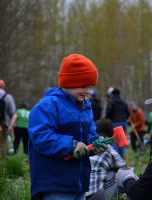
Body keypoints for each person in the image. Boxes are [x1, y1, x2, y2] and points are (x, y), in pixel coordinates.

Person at [28, 54, 107, 200]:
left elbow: (89, 134)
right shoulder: (48, 105)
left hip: (79, 183)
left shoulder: (85, 106)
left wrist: (95, 143)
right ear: (69, 83)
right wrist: (70, 145)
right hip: (54, 183)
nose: (88, 91)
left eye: (90, 86)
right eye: (84, 86)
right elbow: (40, 136)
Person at [86, 119, 126, 200]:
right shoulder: (109, 149)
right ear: (108, 136)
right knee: (115, 172)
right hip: (95, 195)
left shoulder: (84, 146)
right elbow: (124, 170)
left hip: (79, 194)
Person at [0, 79, 16, 162]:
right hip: (3, 124)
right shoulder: (8, 97)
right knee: (3, 143)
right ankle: (2, 164)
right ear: (4, 86)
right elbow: (13, 114)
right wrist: (11, 126)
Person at [105, 87, 130, 157]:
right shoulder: (124, 102)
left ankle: (116, 158)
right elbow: (128, 114)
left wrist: (107, 119)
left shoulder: (111, 102)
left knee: (114, 142)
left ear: (112, 94)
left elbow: (108, 113)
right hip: (123, 123)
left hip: (115, 123)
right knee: (121, 142)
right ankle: (123, 159)